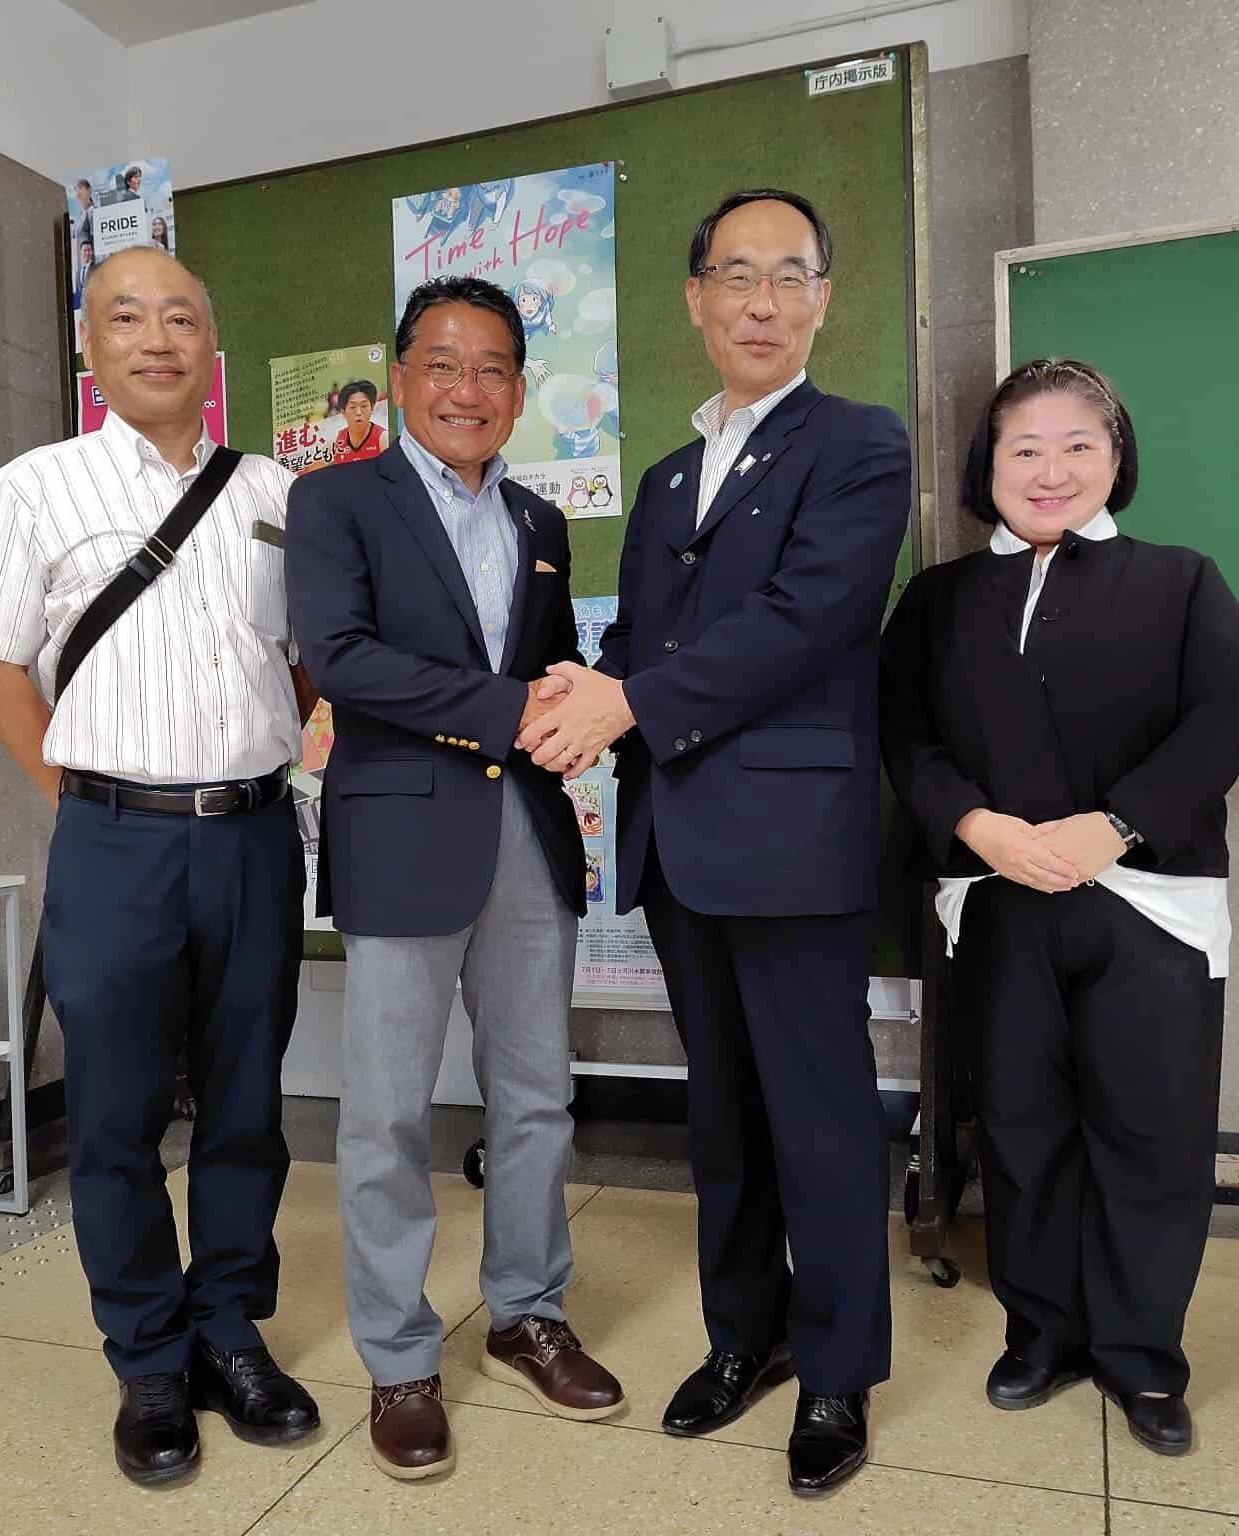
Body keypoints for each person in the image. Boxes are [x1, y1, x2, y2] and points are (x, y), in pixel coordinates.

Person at [517, 188, 909, 1497]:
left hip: (795, 839)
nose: (760, 301)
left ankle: (839, 1370)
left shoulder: (857, 444)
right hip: (681, 840)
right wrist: (582, 690)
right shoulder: (667, 478)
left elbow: (808, 617)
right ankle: (746, 1336)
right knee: (725, 1122)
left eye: (788, 275)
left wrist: (625, 701)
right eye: (736, 275)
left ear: (821, 301)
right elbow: (644, 641)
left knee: (821, 1117)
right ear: (694, 299)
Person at [0, 246, 323, 1489]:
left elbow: (304, 659)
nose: (157, 338)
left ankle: (231, 1332)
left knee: (248, 1099)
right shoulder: (32, 487)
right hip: (112, 840)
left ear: (211, 345)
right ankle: (148, 1357)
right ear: (90, 345)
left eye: (181, 318)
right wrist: (83, 802)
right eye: (127, 317)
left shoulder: (274, 492)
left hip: (253, 833)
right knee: (113, 1110)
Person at [877, 358, 1239, 1457]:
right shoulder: (937, 599)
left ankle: (1143, 1359)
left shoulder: (1181, 581)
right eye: (1025, 448)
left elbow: (1220, 719)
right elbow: (904, 731)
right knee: (1021, 1132)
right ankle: (1040, 1334)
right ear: (987, 465)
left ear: (1115, 459)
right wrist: (977, 826)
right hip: (999, 900)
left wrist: (1116, 825)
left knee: (1152, 1136)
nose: (1050, 470)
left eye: (1078, 446)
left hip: (1149, 904)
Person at [286, 275, 624, 1482]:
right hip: (399, 838)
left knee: (534, 1097)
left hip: (526, 832)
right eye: (441, 363)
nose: (465, 388)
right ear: (401, 379)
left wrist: (581, 706)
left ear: (519, 393)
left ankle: (529, 1311)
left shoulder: (539, 520)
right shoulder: (335, 501)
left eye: (491, 369)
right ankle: (397, 1356)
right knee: (385, 1112)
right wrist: (510, 709)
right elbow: (341, 659)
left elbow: (553, 662)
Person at [331, 379, 385, 464]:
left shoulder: (383, 439)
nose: (359, 412)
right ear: (343, 412)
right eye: (353, 407)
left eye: (364, 406)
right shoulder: (337, 441)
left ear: (372, 408)